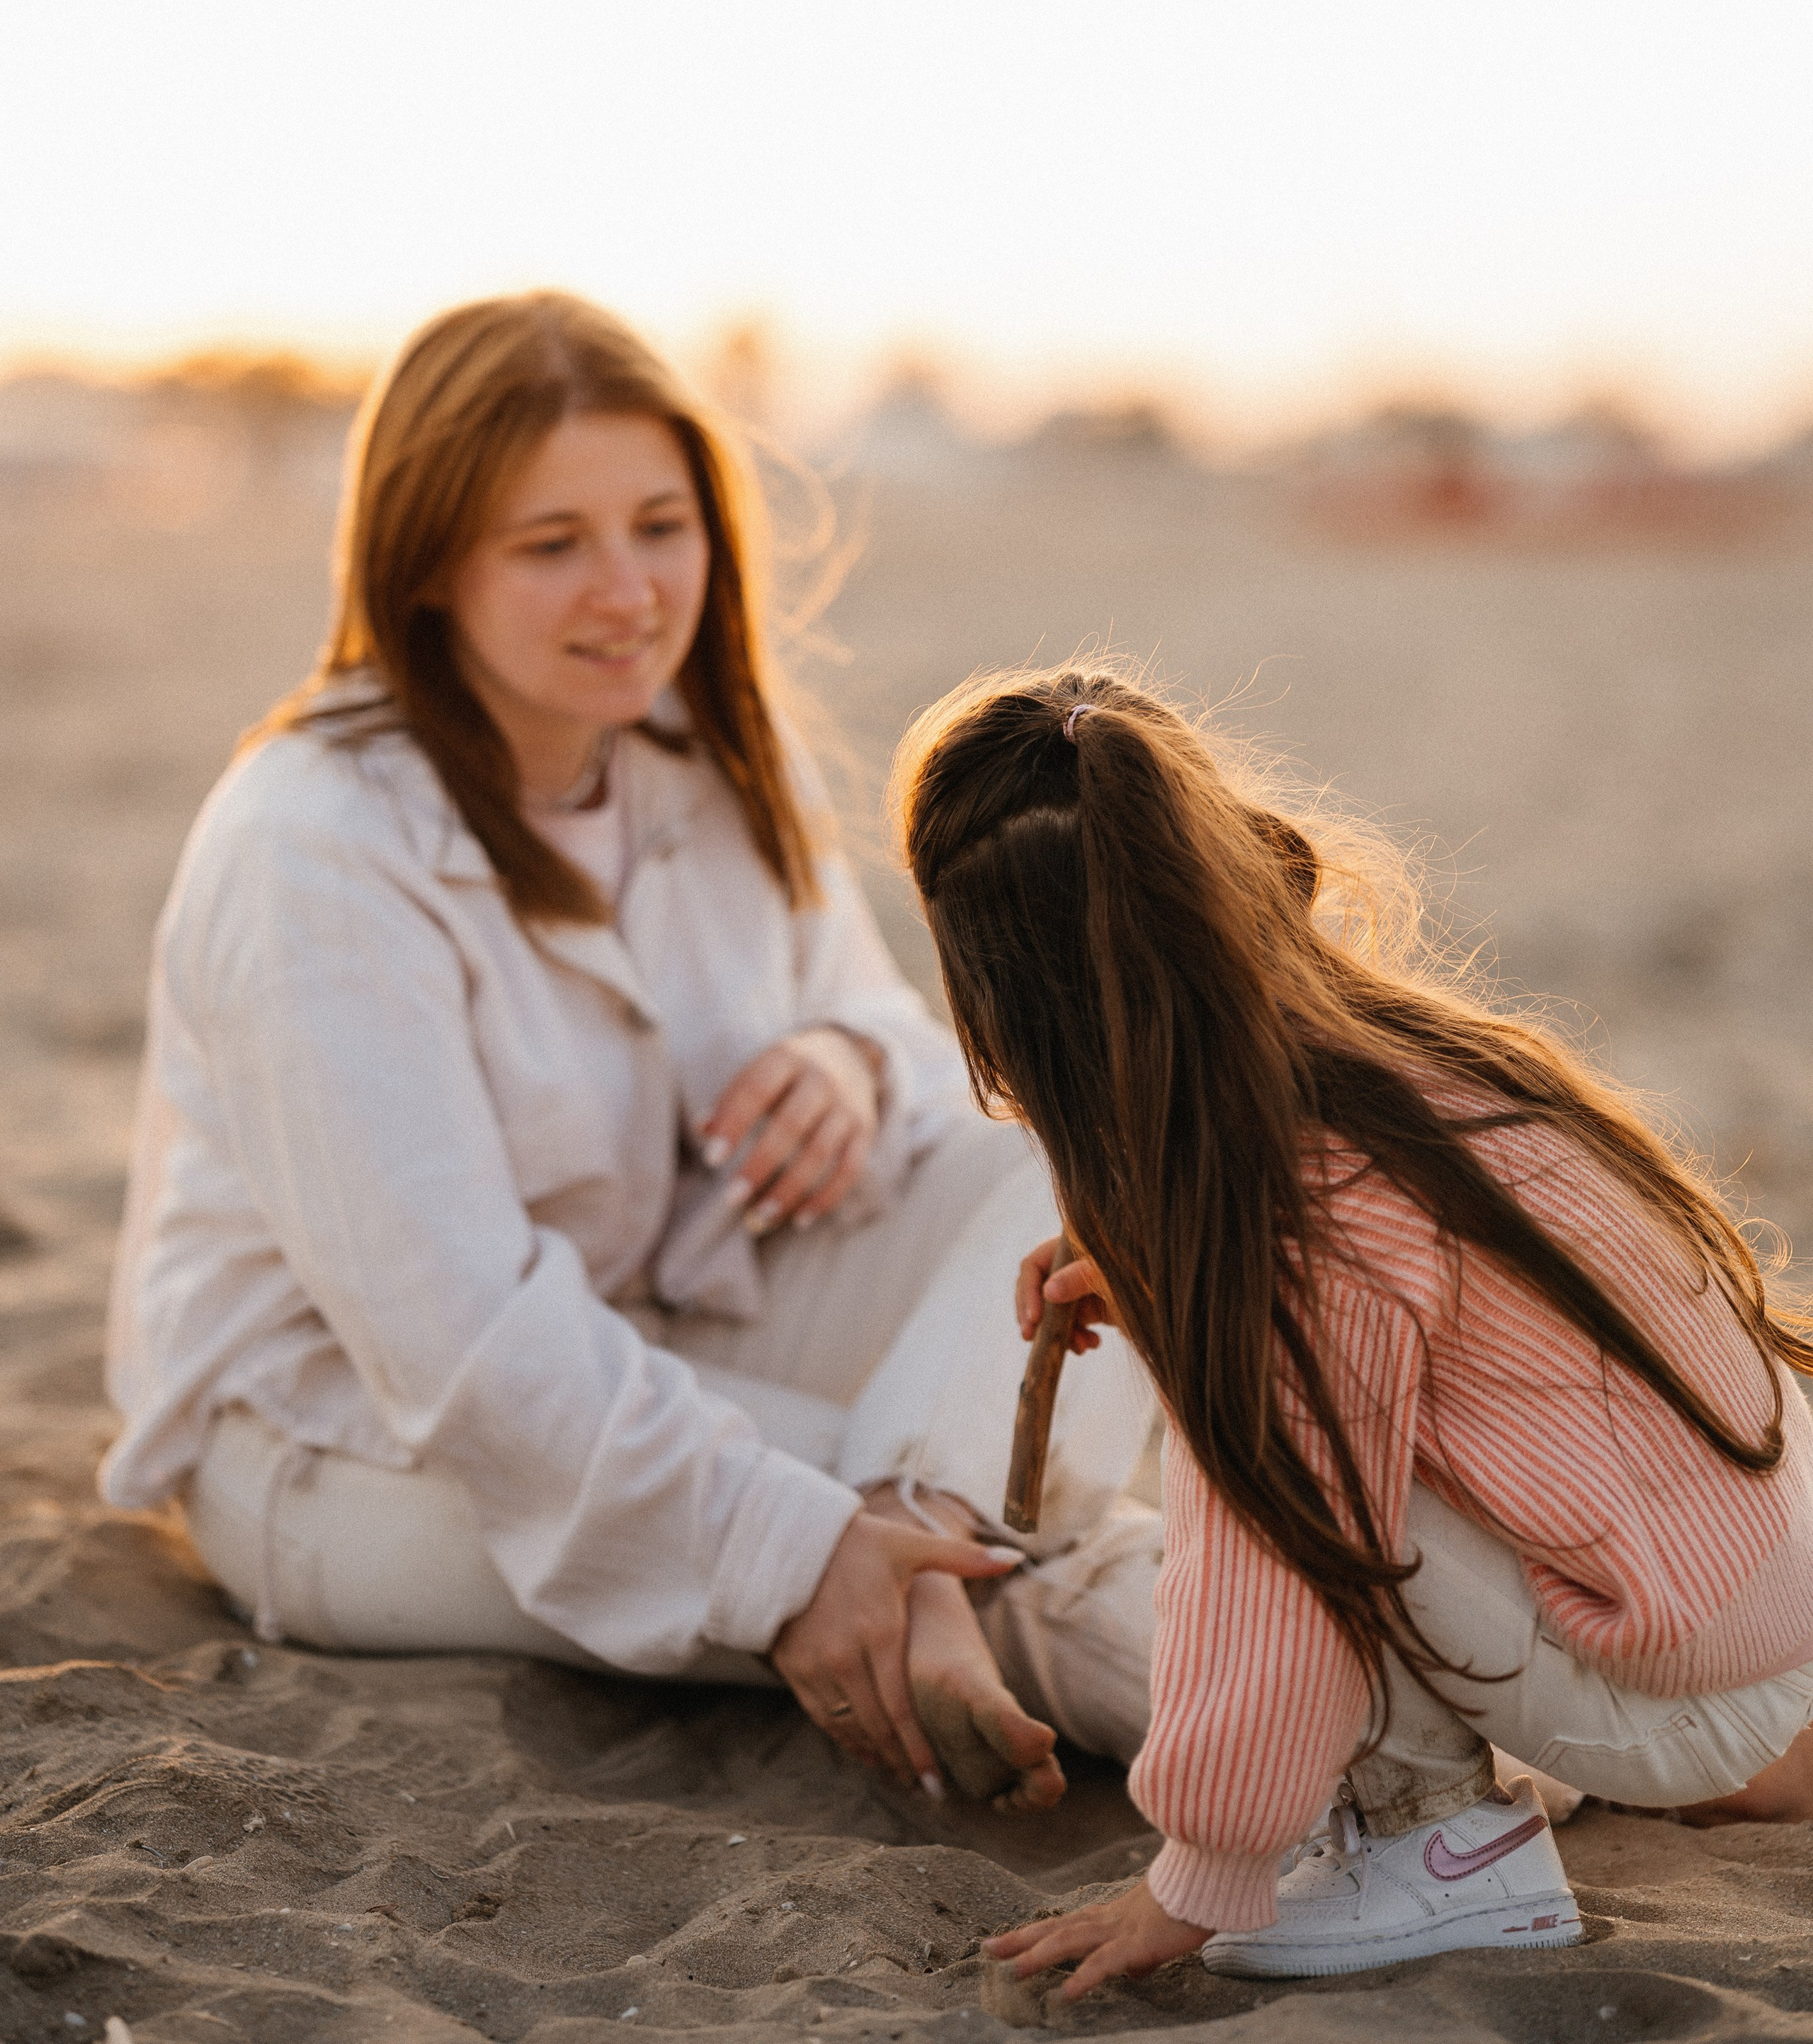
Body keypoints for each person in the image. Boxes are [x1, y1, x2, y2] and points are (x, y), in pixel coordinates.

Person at [102, 295, 1161, 1809]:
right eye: (552, 545)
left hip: (678, 1308)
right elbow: (464, 1341)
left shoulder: (708, 751)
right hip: (347, 1436)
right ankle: (1369, 1736)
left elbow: (900, 1044)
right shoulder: (309, 847)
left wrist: (845, 1062)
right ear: (426, 567)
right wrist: (795, 1552)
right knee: (956, 1563)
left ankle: (943, 1538)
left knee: (1100, 1157)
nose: (627, 592)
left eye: (661, 526)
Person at [891, 668, 1813, 1985]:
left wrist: (1197, 1878)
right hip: (1754, 1585)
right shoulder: (1385, 1063)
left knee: (1287, 1497)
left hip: (1681, 1680)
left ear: (1011, 999)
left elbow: (1271, 1576)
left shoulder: (1290, 1217)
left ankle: (1443, 1850)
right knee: (1306, 1432)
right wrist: (1156, 1281)